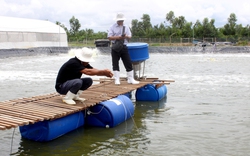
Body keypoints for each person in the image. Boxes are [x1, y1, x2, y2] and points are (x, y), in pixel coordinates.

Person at [107, 13, 139, 85]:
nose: (121, 22)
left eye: (122, 20)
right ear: (117, 21)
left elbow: (129, 36)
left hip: (124, 46)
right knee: (115, 63)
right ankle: (117, 79)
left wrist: (125, 36)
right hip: (115, 47)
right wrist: (118, 37)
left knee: (128, 62)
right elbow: (109, 37)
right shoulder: (112, 27)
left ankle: (130, 79)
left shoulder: (126, 26)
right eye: (119, 20)